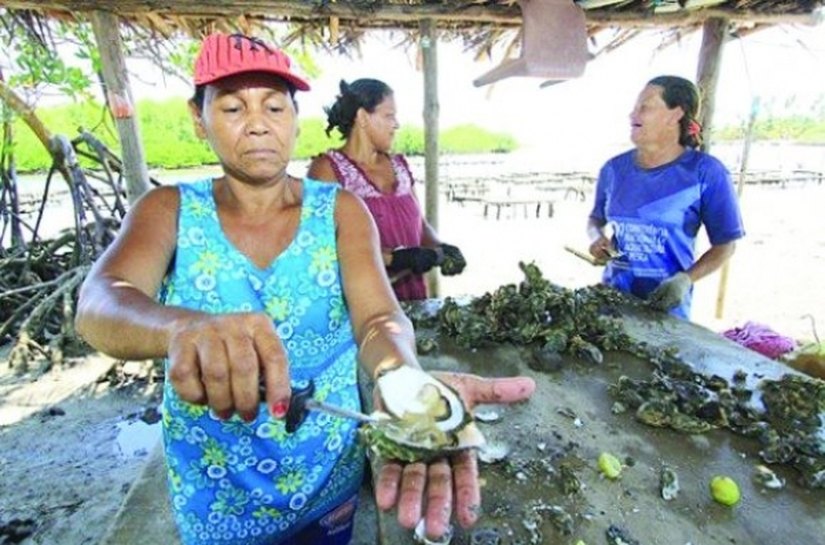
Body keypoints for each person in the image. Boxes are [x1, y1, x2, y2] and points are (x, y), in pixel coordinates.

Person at [74, 33, 535, 545]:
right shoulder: (168, 209)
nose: (257, 123)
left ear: (295, 118)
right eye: (232, 107)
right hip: (216, 489)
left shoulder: (339, 210)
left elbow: (378, 318)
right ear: (198, 119)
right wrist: (181, 328)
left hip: (326, 474)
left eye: (275, 106)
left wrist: (402, 379)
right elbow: (99, 301)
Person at [587, 75, 744, 319]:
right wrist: (597, 238)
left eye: (644, 107)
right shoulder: (614, 169)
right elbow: (595, 219)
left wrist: (685, 280)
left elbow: (725, 245)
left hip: (666, 312)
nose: (632, 114)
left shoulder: (705, 172)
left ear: (675, 114)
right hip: (613, 304)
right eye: (635, 107)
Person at [307, 78, 465, 301]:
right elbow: (322, 248)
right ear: (363, 117)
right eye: (389, 116)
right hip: (363, 306)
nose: (396, 124)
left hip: (413, 300)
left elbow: (419, 225)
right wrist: (396, 259)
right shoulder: (327, 170)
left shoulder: (400, 167)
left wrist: (441, 248)